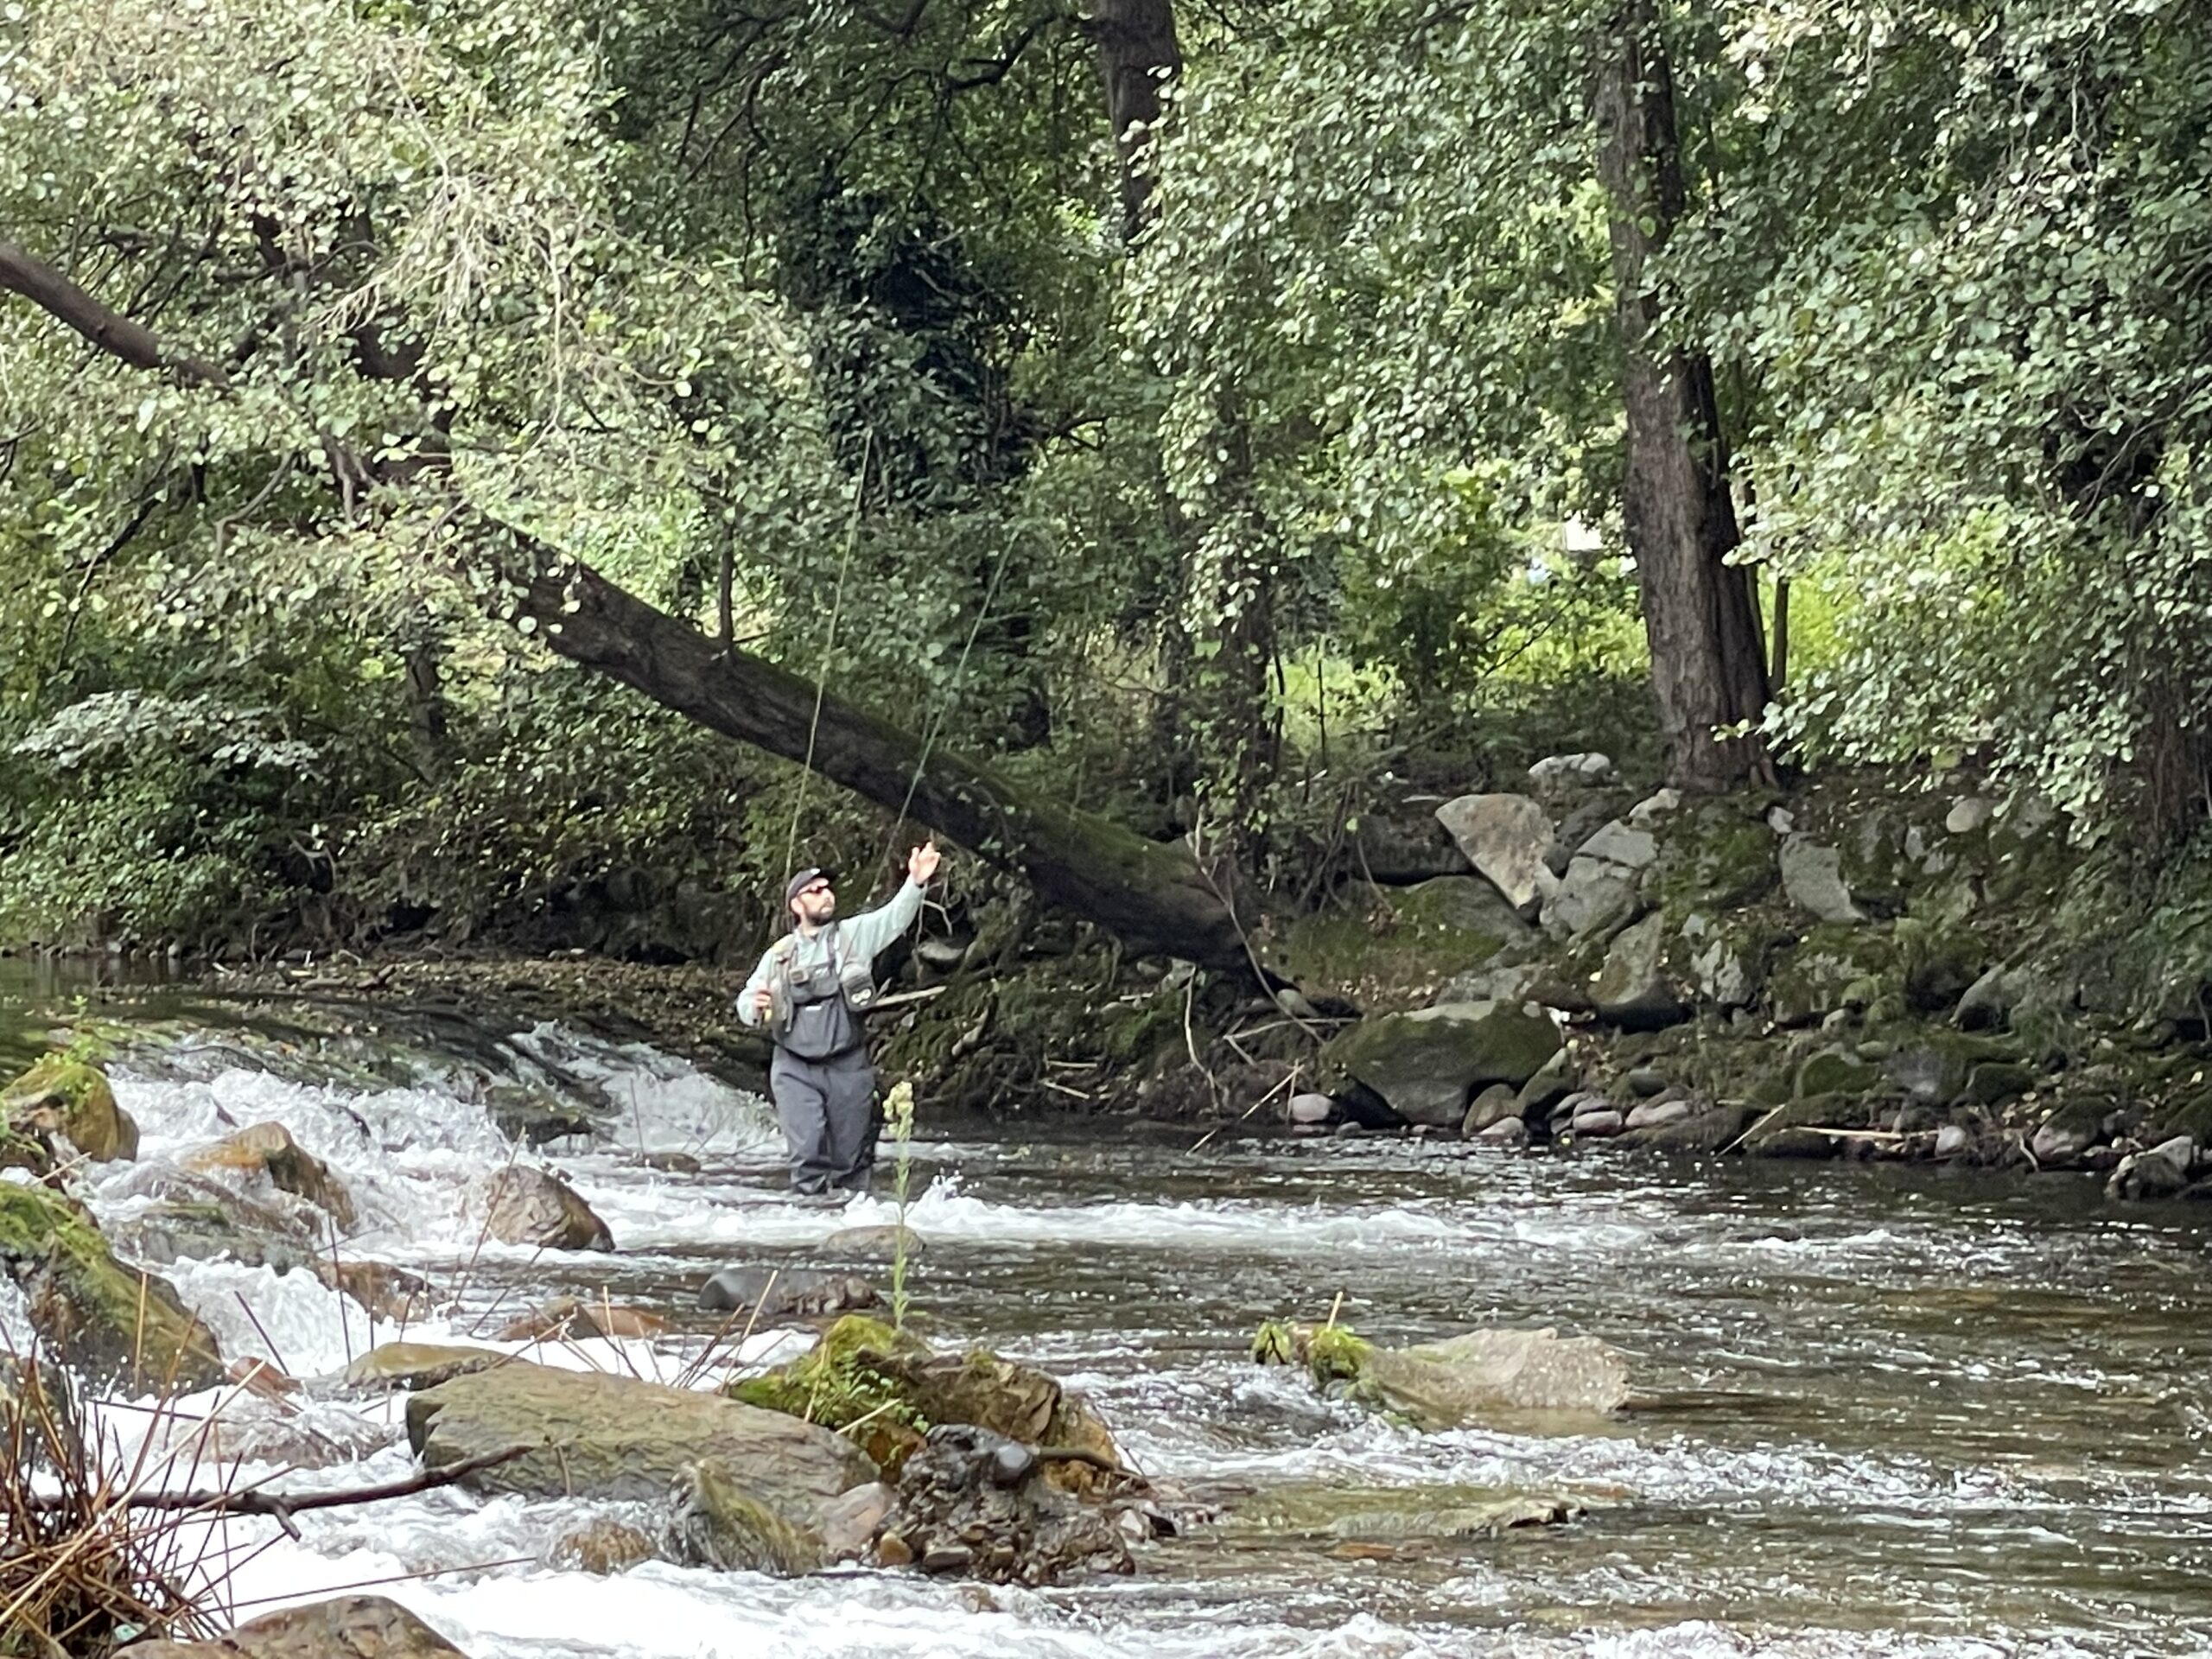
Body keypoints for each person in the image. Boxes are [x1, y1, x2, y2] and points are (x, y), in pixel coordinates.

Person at [736, 842, 941, 1196]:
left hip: (848, 1065)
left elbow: (894, 918)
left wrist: (916, 882)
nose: (825, 894)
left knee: (851, 1161)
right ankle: (812, 1227)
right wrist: (755, 1005)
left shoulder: (854, 936)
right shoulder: (779, 955)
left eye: (828, 888)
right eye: (815, 891)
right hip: (794, 1068)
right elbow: (746, 1002)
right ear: (796, 905)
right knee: (807, 1154)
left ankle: (847, 1229)